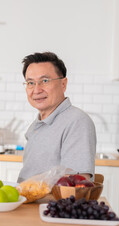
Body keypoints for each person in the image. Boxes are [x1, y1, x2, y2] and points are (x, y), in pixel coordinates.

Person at [17, 52, 96, 183]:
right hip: (26, 200)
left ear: (63, 84)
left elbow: (77, 184)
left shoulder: (77, 121)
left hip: (49, 203)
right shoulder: (36, 125)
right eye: (30, 82)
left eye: (45, 81)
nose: (36, 90)